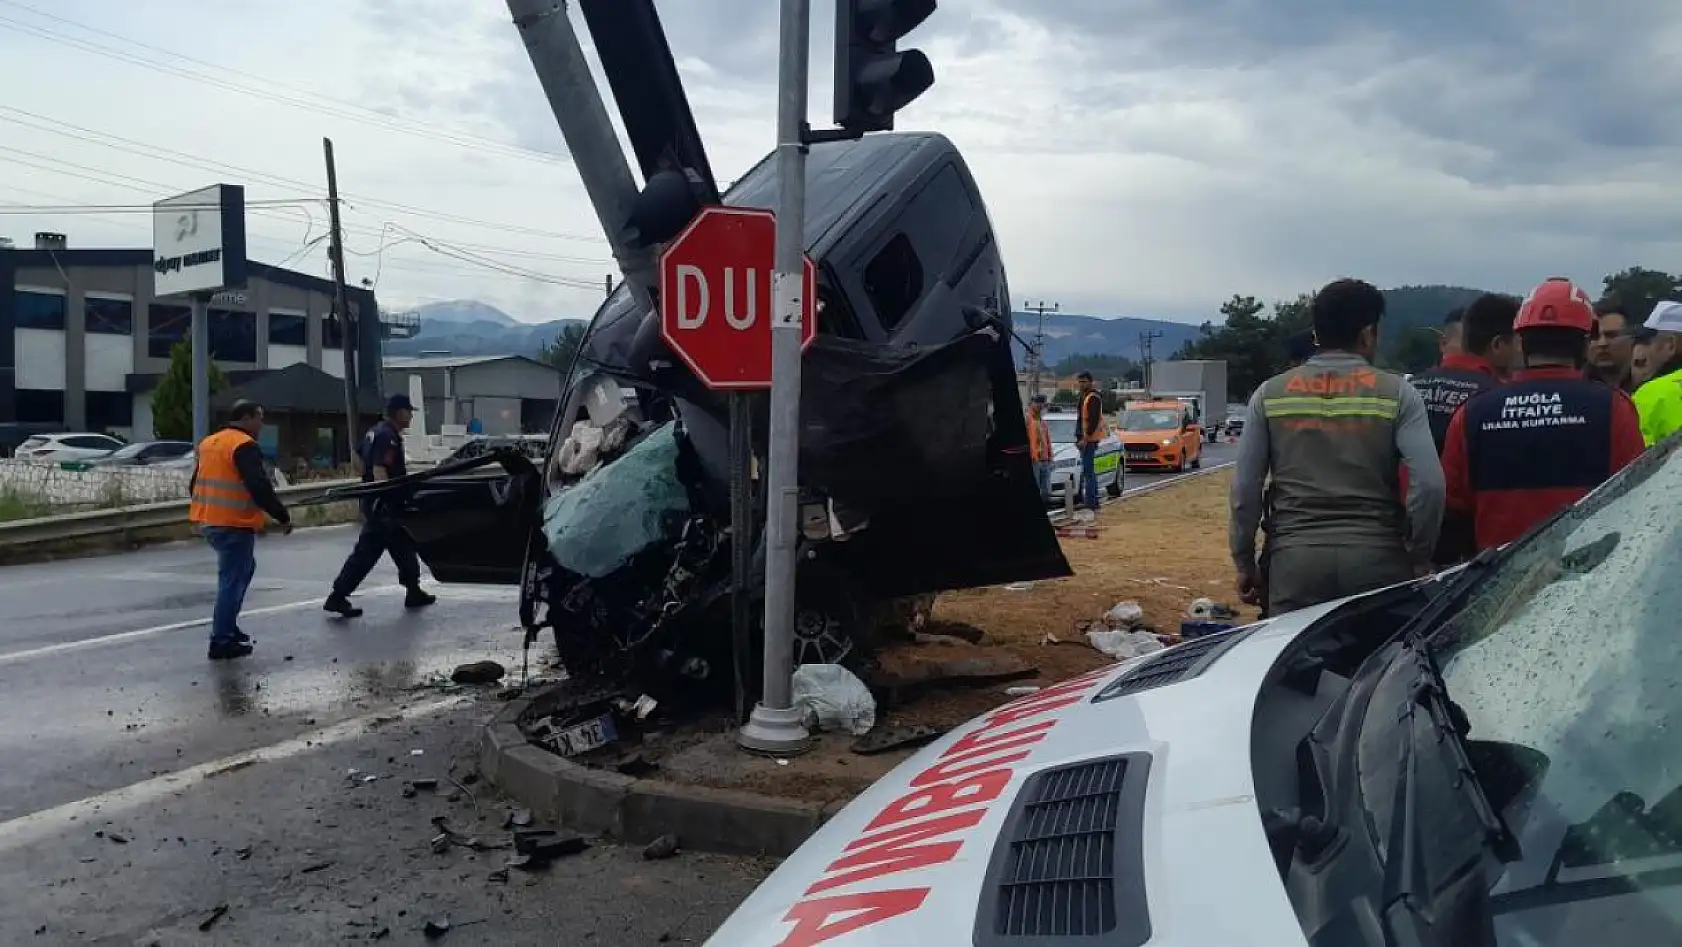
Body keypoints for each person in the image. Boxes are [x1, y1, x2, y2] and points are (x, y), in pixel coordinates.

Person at [1230, 278, 1444, 616]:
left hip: (1295, 564)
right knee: (1378, 650)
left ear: (1317, 333)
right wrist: (1418, 555)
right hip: (1377, 561)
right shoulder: (1399, 394)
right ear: (1367, 334)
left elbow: (1245, 490)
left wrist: (1245, 561)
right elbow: (1429, 485)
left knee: (1294, 651)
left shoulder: (1270, 394)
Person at [1440, 277, 1646, 556]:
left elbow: (1452, 507)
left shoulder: (1472, 413)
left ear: (1521, 342)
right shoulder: (1614, 407)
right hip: (1585, 572)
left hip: (1496, 576)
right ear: (1584, 343)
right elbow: (1634, 495)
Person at [188, 400, 292, 660]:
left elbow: (195, 483)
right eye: (259, 418)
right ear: (246, 418)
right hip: (232, 523)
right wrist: (281, 516)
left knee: (243, 570)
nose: (262, 424)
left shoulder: (210, 443)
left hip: (210, 519)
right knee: (232, 580)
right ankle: (221, 640)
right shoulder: (244, 445)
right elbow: (259, 485)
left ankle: (228, 627)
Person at [324, 394, 437, 617]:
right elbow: (380, 469)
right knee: (366, 554)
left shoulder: (375, 431)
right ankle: (337, 596)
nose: (411, 416)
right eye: (409, 412)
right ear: (400, 412)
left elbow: (357, 458)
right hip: (384, 507)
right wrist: (383, 498)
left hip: (382, 504)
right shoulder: (389, 437)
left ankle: (413, 590)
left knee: (404, 546)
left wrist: (366, 482)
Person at [1408, 293, 1519, 453]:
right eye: (1518, 342)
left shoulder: (1410, 387)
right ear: (1498, 345)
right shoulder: (1501, 399)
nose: (1520, 351)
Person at [1631, 300, 1682, 445]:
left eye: (1647, 341)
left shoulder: (1650, 395)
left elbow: (1637, 456)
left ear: (1670, 345)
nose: (1641, 349)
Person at [1586, 297, 1638, 392]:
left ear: (1631, 338)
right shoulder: (1573, 389)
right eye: (1594, 336)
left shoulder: (1649, 387)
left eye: (1611, 335)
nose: (1602, 343)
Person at [1073, 371, 1104, 521]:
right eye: (1080, 382)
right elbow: (1081, 419)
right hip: (1085, 438)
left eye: (1084, 381)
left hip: (1089, 440)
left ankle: (1090, 502)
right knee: (1088, 471)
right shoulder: (1084, 397)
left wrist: (1085, 439)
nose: (1081, 384)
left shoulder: (1093, 398)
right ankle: (1092, 501)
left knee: (1088, 471)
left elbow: (1093, 420)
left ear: (1091, 382)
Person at [1024, 394, 1053, 500]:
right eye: (1038, 404)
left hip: (1044, 460)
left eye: (1042, 404)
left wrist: (1050, 456)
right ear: (1032, 404)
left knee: (1046, 490)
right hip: (1034, 459)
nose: (1040, 407)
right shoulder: (1028, 419)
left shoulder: (1043, 422)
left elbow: (1047, 440)